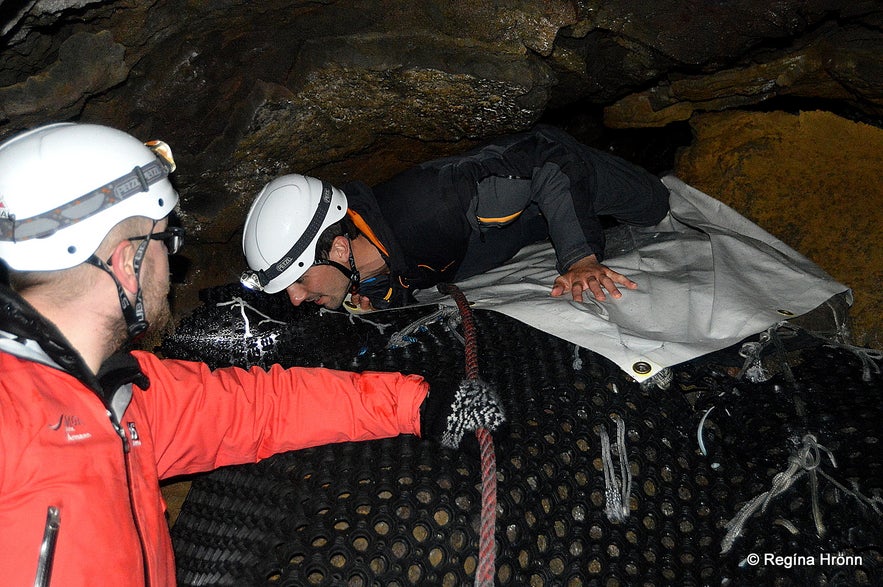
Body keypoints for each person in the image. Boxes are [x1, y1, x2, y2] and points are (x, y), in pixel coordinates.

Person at [0, 122, 504, 586]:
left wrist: (420, 403)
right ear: (126, 261)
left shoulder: (127, 396)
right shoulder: (14, 421)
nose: (172, 264)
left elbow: (263, 407)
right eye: (163, 241)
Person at [240, 124, 671, 312]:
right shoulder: (363, 262)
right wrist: (383, 301)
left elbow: (546, 162)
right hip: (524, 220)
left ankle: (638, 153)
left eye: (297, 280)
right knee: (609, 224)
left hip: (555, 168)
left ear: (335, 246)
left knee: (654, 205)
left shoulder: (433, 208)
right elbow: (410, 275)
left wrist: (579, 257)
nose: (295, 297)